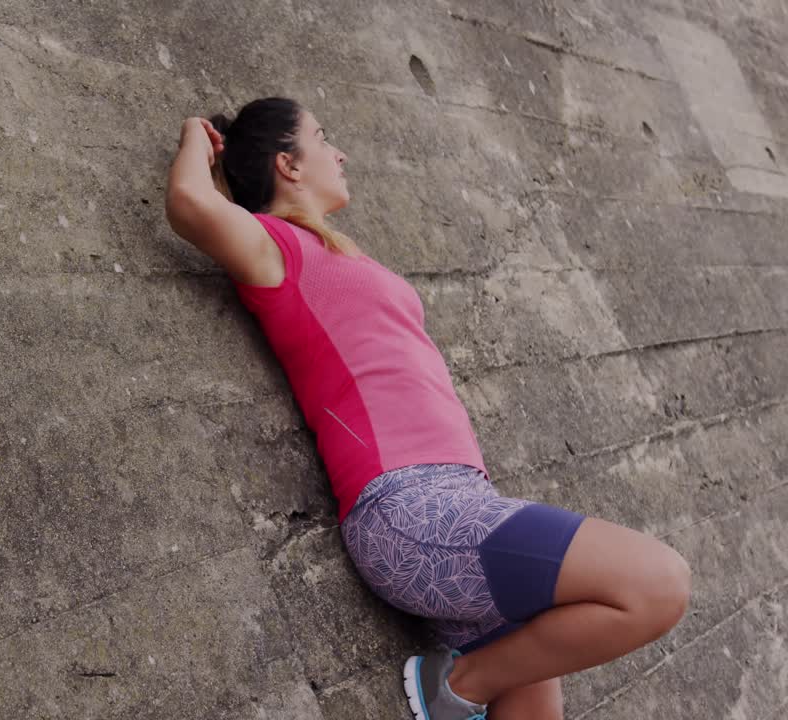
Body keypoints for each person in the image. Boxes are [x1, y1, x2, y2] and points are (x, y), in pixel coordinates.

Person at [163, 97, 691, 720]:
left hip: (464, 505)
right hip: (411, 511)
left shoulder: (339, 253)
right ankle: (458, 687)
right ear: (289, 165)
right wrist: (196, 141)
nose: (340, 152)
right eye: (323, 137)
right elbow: (192, 205)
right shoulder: (277, 247)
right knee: (659, 584)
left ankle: (471, 683)